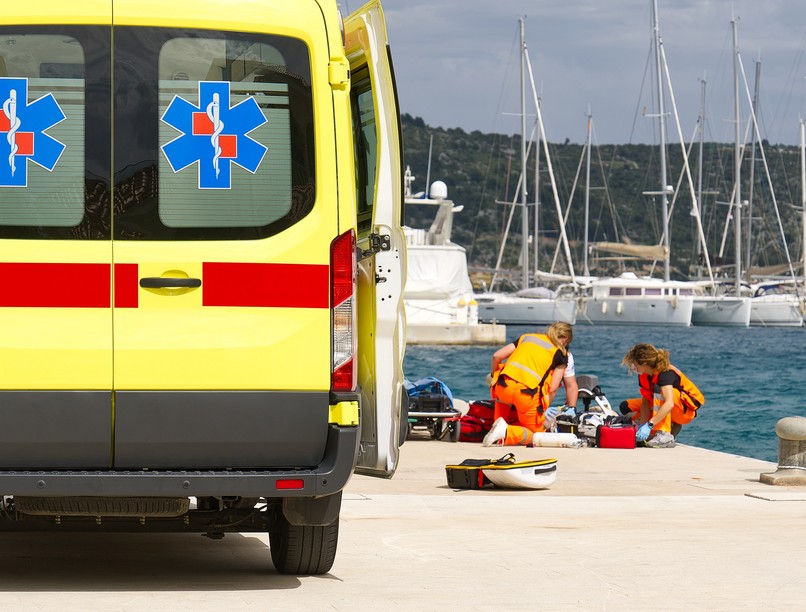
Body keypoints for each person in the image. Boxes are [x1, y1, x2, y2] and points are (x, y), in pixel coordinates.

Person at [483, 321, 573, 447]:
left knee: (500, 420)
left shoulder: (527, 337)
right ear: (566, 339)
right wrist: (543, 410)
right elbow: (552, 389)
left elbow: (496, 356)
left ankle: (497, 428)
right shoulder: (560, 353)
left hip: (502, 387)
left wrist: (494, 377)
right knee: (536, 436)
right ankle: (506, 432)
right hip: (526, 394)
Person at [620, 343, 705, 443]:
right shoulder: (644, 375)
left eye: (634, 364)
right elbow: (646, 401)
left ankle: (664, 433)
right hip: (665, 405)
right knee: (626, 406)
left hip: (684, 411)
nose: (633, 367)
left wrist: (649, 425)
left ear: (644, 363)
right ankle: (663, 426)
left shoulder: (665, 373)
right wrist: (643, 425)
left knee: (659, 391)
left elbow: (669, 403)